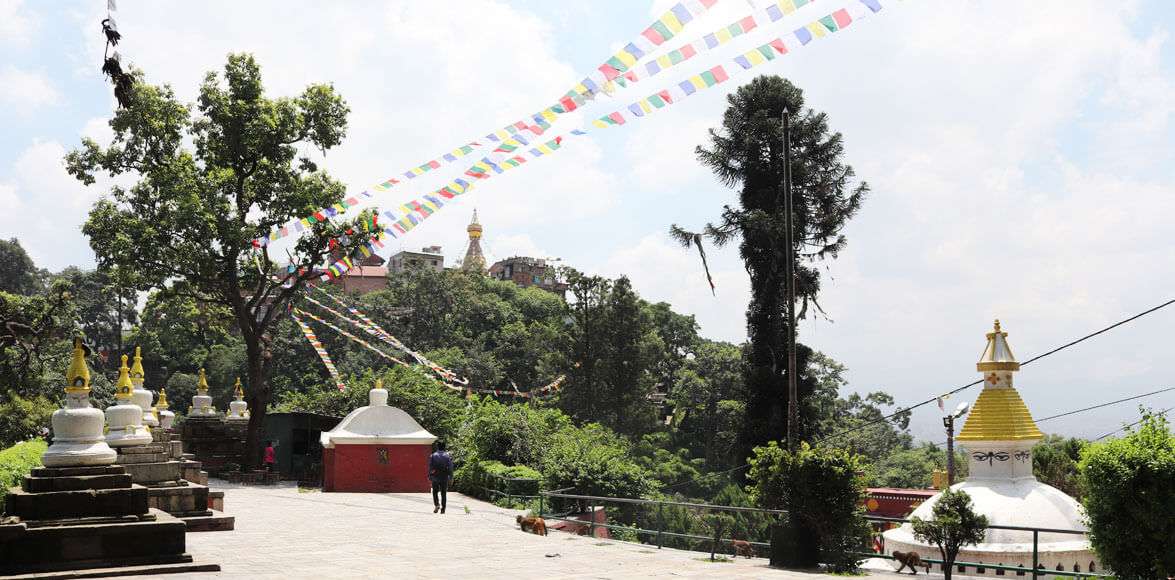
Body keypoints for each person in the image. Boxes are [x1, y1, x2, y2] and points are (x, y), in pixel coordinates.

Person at [428, 440, 453, 514]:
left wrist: (429, 475)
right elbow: (450, 467)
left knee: (435, 492)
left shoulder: (433, 455)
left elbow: (430, 467)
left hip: (435, 476)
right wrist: (451, 477)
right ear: (444, 447)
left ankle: (437, 505)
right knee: (443, 493)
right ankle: (443, 509)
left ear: (437, 447)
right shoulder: (447, 456)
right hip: (444, 477)